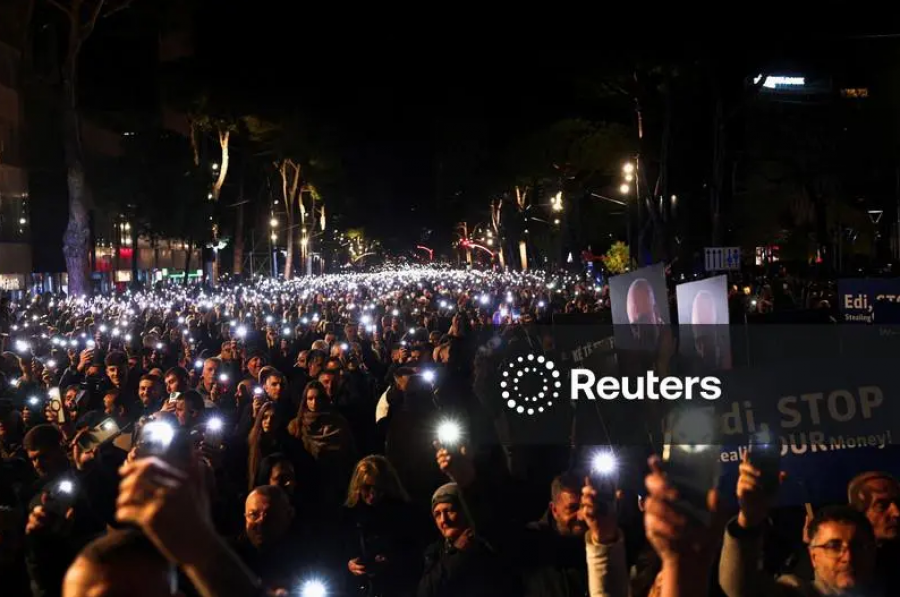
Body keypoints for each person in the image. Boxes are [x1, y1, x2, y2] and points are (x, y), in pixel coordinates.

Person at [720, 454, 881, 596]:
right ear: (813, 556)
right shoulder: (795, 592)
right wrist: (749, 519)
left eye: (859, 546)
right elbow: (742, 590)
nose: (848, 557)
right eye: (833, 546)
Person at [340, 454, 425, 597]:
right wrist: (349, 565)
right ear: (358, 486)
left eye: (378, 488)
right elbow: (338, 551)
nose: (372, 495)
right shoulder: (349, 516)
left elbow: (417, 554)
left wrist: (392, 559)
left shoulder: (404, 514)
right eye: (367, 488)